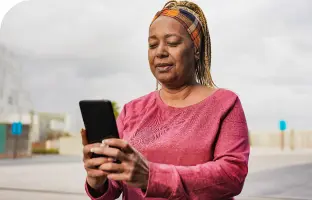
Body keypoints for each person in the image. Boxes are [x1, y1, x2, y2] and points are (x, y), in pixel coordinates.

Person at [81, 0, 250, 199]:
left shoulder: (225, 104)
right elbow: (114, 186)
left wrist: (151, 176)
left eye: (172, 43)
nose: (160, 52)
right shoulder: (131, 111)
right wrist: (97, 181)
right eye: (153, 44)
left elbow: (232, 176)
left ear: (196, 49)